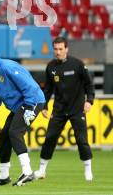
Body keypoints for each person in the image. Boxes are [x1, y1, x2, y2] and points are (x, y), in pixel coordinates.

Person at [0, 47, 45, 187]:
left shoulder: (8, 67)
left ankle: (27, 172)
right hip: (19, 105)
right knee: (4, 136)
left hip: (32, 101)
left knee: (15, 132)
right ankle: (4, 176)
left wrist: (30, 107)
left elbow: (29, 86)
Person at [34, 36, 95, 181]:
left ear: (66, 49)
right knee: (49, 138)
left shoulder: (78, 64)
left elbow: (89, 85)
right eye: (55, 49)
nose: (58, 52)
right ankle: (42, 170)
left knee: (81, 140)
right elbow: (47, 90)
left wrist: (90, 101)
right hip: (59, 110)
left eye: (61, 49)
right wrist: (44, 106)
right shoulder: (51, 67)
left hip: (77, 109)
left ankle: (88, 170)